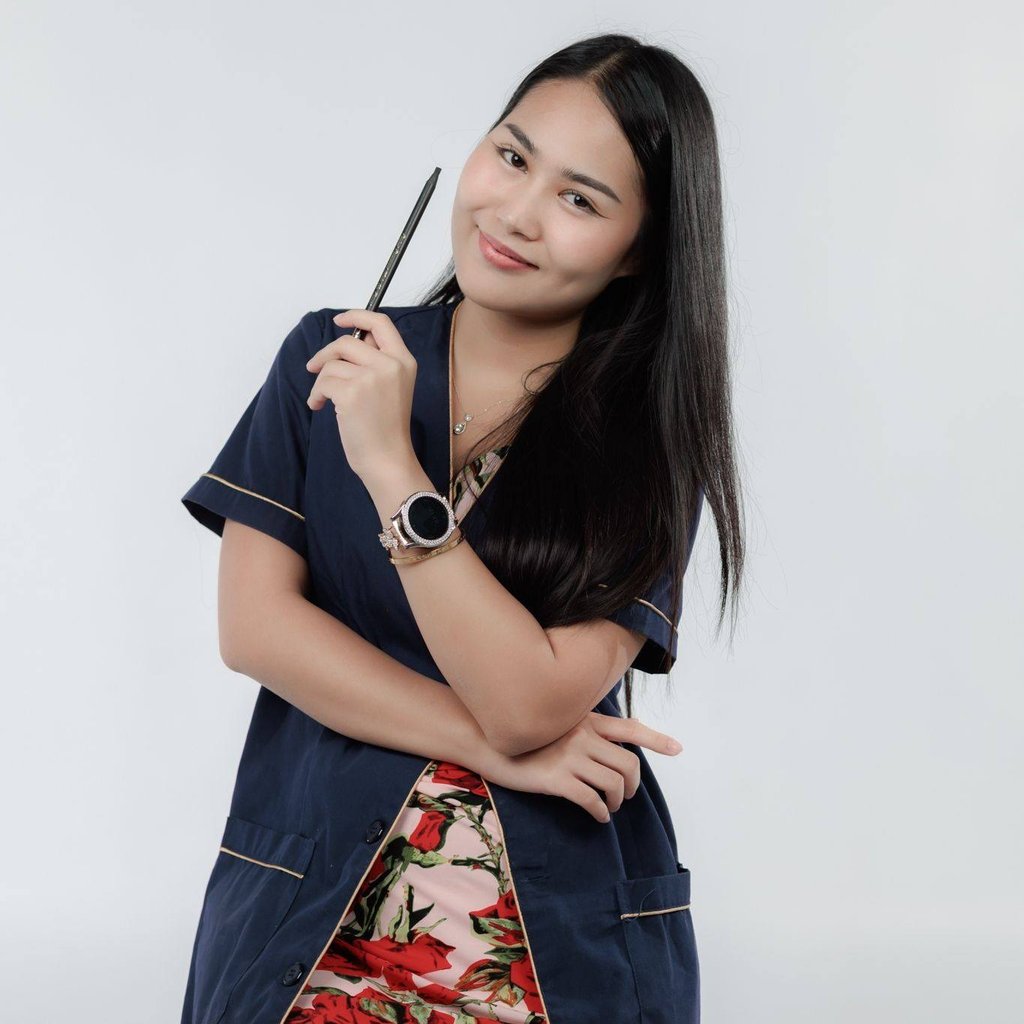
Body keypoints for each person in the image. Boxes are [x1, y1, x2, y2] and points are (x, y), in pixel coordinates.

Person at [178, 31, 744, 1024]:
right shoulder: (329, 357)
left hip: (543, 966)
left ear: (635, 253)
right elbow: (257, 631)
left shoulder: (647, 447)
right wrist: (495, 749)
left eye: (580, 199)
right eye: (512, 156)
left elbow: (530, 700)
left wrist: (391, 466)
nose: (515, 213)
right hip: (310, 950)